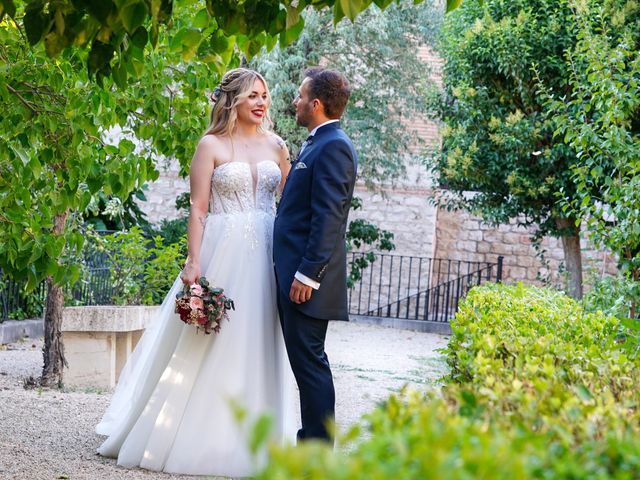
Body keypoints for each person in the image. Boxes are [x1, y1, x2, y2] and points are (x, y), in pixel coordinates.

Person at [95, 67, 296, 477]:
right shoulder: (211, 145)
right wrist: (193, 260)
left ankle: (258, 435)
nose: (261, 103)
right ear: (232, 100)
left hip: (268, 254)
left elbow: (290, 205)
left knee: (259, 338)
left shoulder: (278, 146)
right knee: (210, 339)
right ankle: (197, 435)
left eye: (264, 95)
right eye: (251, 96)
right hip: (224, 250)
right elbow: (199, 208)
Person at [273, 67, 358, 442]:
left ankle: (317, 452)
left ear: (317, 104)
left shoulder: (334, 146)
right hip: (294, 274)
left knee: (310, 366)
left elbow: (329, 217)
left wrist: (308, 274)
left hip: (305, 282)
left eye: (300, 96)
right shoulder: (316, 142)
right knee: (305, 364)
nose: (296, 101)